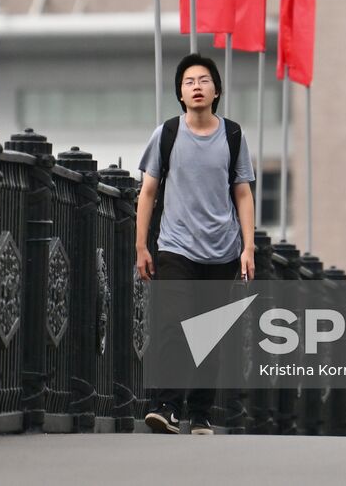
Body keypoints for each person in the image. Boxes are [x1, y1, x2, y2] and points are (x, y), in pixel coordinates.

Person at [136, 52, 255, 435]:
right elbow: (148, 191)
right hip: (175, 246)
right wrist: (142, 246)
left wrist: (248, 248)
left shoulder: (233, 135)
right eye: (189, 82)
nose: (197, 87)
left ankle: (201, 412)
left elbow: (243, 193)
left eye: (204, 80)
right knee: (173, 323)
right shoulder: (167, 134)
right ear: (180, 94)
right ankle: (168, 406)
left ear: (216, 90)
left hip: (221, 249)